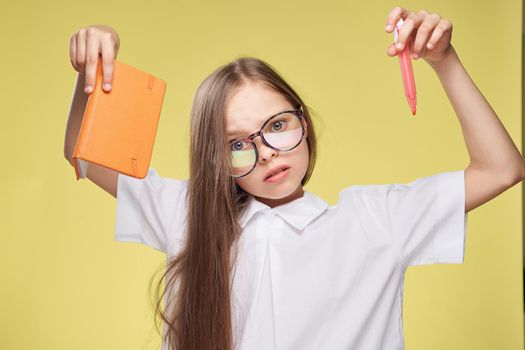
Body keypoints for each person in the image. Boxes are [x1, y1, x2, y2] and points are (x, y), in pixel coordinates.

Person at [64, 6, 525, 350]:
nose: (266, 153)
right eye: (238, 144)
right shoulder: (188, 214)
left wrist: (444, 60)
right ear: (214, 160)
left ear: (302, 120)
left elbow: (501, 169)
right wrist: (93, 74)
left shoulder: (375, 220)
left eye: (278, 126)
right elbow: (84, 157)